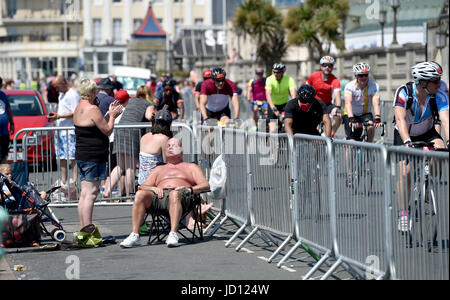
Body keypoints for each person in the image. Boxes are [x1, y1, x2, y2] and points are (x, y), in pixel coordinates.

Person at [120, 138, 210, 248]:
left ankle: (173, 233)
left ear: (182, 151)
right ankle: (135, 235)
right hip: (160, 197)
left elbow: (205, 185)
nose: (170, 147)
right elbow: (143, 186)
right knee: (140, 194)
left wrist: (189, 190)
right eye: (168, 146)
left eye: (174, 146)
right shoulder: (159, 169)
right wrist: (153, 188)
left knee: (174, 194)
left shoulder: (191, 167)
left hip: (182, 196)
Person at [393, 61, 449, 232]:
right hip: (405, 133)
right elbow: (400, 119)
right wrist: (407, 142)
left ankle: (427, 182)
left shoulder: (440, 92)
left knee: (440, 153)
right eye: (435, 81)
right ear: (423, 82)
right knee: (405, 173)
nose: (439, 84)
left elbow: (446, 119)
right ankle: (403, 213)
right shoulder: (404, 92)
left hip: (427, 131)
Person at [73, 78, 123, 228]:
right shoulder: (92, 108)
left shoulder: (79, 107)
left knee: (85, 194)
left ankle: (84, 228)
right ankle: (87, 228)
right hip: (93, 155)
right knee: (91, 193)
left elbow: (98, 124)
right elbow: (108, 130)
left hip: (83, 154)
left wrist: (110, 114)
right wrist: (113, 116)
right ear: (93, 92)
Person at [104, 85, 153, 198]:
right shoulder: (148, 104)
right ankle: (129, 196)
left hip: (120, 130)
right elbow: (149, 116)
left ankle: (107, 191)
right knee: (130, 167)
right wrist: (157, 115)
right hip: (132, 132)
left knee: (120, 166)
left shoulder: (130, 101)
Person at [47, 75, 80, 188]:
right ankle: (64, 180)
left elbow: (75, 112)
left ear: (64, 83)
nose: (56, 90)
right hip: (60, 130)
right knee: (61, 156)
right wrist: (57, 116)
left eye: (57, 87)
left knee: (72, 157)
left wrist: (59, 116)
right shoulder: (61, 94)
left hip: (69, 130)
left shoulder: (73, 94)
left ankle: (74, 181)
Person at [343, 62, 382, 142]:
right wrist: (351, 118)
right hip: (351, 114)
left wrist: (377, 117)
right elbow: (348, 102)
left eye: (366, 75)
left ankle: (369, 148)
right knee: (352, 142)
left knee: (370, 126)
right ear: (356, 76)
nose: (364, 77)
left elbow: (376, 102)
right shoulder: (350, 86)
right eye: (361, 75)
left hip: (365, 114)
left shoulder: (374, 85)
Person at [102, 89, 131, 199]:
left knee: (113, 168)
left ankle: (109, 192)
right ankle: (122, 193)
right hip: (124, 141)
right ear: (127, 100)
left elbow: (104, 121)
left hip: (112, 140)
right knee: (123, 168)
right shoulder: (128, 111)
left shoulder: (112, 110)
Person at [306, 56, 342, 137]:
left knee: (338, 115)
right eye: (325, 65)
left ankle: (330, 135)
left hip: (327, 104)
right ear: (321, 66)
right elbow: (306, 91)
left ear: (333, 67)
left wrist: (337, 108)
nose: (327, 67)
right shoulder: (313, 76)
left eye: (330, 65)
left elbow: (338, 96)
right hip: (315, 104)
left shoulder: (335, 80)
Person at [138, 106, 173, 186]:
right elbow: (167, 163)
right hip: (154, 183)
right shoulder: (164, 139)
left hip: (142, 183)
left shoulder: (144, 136)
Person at [265, 62, 297, 133]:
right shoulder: (269, 79)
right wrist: (274, 109)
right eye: (274, 72)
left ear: (283, 72)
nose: (276, 74)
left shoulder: (289, 80)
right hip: (273, 104)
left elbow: (293, 95)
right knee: (273, 130)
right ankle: (272, 143)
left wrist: (293, 106)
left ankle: (289, 142)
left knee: (289, 125)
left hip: (285, 105)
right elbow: (268, 95)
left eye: (278, 72)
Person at [0, 78, 14, 163]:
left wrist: (12, 123)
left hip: (4, 132)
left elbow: (8, 110)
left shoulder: (2, 95)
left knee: (4, 155)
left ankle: (4, 175)